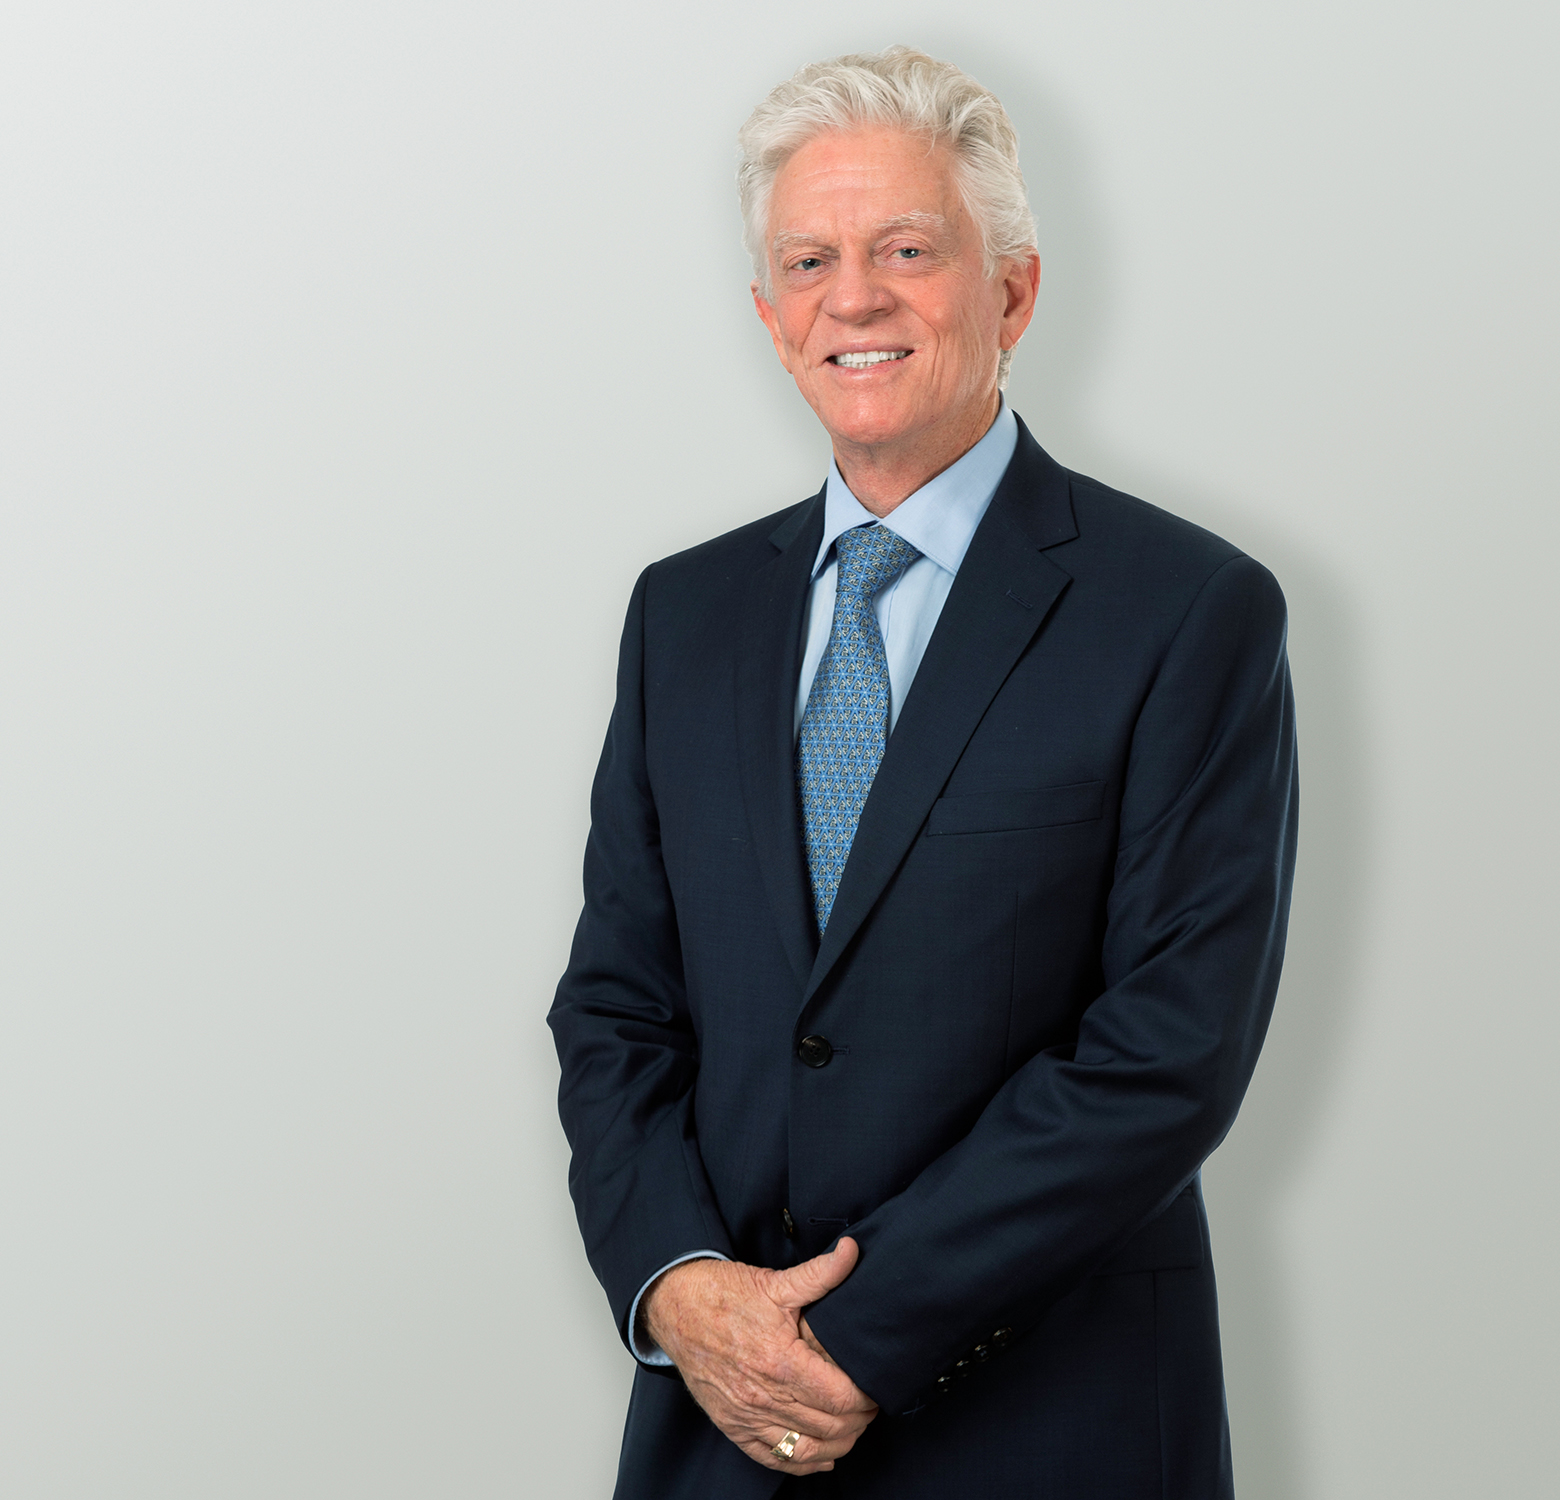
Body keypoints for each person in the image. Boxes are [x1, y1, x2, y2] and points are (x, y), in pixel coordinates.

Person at [548, 45, 1297, 1500]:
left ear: (1012, 291)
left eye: (907, 249)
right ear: (769, 316)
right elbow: (618, 1006)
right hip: (720, 1432)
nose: (856, 298)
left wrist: (847, 1340)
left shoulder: (1185, 611)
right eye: (809, 261)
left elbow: (1166, 1052)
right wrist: (682, 1289)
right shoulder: (683, 614)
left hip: (1051, 1429)